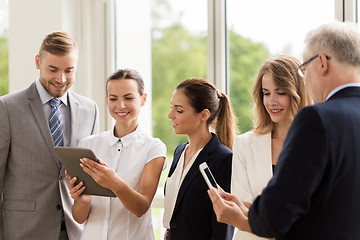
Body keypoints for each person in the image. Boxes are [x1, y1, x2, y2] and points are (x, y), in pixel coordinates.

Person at [208, 21, 360, 239]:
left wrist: (241, 218)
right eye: (266, 93)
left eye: (305, 70)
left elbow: (274, 217)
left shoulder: (316, 118)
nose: (305, 80)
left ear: (323, 63)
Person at [0, 31, 99, 240]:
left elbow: (91, 175)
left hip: (74, 230)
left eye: (69, 70)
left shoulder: (90, 110)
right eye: (53, 69)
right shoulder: (7, 108)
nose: (61, 79)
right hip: (23, 231)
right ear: (38, 62)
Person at [66, 69, 166, 240]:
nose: (120, 105)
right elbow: (79, 217)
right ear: (106, 101)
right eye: (113, 99)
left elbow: (141, 207)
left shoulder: (154, 148)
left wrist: (114, 183)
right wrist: (81, 201)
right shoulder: (88, 145)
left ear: (143, 99)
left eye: (128, 98)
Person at [231, 55, 309, 240]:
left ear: (298, 93)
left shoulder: (314, 144)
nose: (271, 101)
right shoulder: (244, 144)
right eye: (266, 93)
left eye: (281, 92)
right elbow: (241, 209)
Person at [163, 78, 237, 240]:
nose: (170, 115)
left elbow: (223, 227)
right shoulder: (179, 151)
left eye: (179, 110)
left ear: (204, 114)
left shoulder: (223, 158)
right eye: (172, 108)